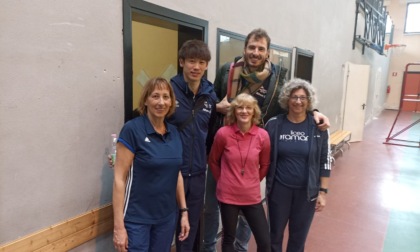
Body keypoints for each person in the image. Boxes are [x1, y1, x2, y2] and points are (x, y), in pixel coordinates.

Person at [203, 28, 330, 252]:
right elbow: (211, 102)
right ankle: (208, 247)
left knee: (247, 205)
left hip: (254, 147)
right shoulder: (227, 71)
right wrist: (215, 107)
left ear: (268, 53)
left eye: (261, 49)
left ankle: (242, 246)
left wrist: (314, 111)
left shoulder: (278, 77)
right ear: (244, 49)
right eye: (252, 47)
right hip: (225, 146)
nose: (255, 52)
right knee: (213, 205)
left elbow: (294, 99)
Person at [112, 77, 190, 252]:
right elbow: (119, 179)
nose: (161, 102)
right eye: (155, 96)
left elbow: (176, 174)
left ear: (171, 102)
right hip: (136, 219)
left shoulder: (175, 133)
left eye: (165, 97)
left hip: (166, 218)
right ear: (146, 100)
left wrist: (184, 212)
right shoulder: (132, 130)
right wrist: (119, 227)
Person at [265, 78, 331, 252]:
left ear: (309, 101)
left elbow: (325, 160)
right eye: (294, 97)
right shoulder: (274, 125)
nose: (298, 101)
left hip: (306, 193)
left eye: (303, 97)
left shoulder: (318, 127)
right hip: (279, 190)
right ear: (287, 99)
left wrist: (323, 193)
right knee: (274, 235)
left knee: (298, 238)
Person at [167, 40, 219, 252]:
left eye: (201, 62)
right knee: (166, 226)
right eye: (191, 61)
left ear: (206, 65)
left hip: (197, 173)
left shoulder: (210, 96)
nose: (196, 67)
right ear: (182, 62)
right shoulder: (169, 91)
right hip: (170, 173)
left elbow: (211, 133)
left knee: (189, 231)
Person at [208, 93, 271, 252]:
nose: (244, 111)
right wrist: (222, 180)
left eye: (248, 108)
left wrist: (253, 180)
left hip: (251, 195)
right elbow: (213, 161)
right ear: (234, 111)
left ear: (254, 111)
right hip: (228, 195)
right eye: (240, 108)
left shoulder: (262, 136)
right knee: (228, 238)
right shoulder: (223, 133)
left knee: (264, 240)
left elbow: (264, 165)